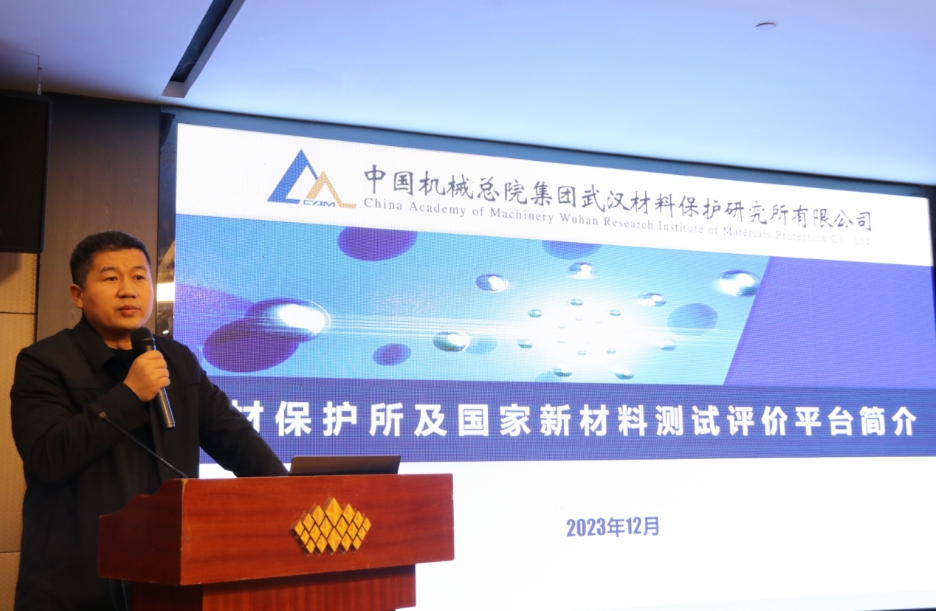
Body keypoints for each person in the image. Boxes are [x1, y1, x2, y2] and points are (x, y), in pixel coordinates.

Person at [10, 230, 288, 610]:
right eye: (111, 278)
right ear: (78, 295)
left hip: (167, 581)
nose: (128, 290)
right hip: (75, 587)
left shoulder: (177, 360)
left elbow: (236, 439)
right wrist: (129, 394)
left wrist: (292, 498)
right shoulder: (44, 362)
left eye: (139, 277)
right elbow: (47, 458)